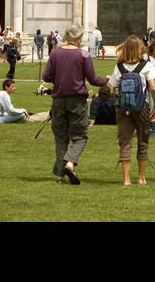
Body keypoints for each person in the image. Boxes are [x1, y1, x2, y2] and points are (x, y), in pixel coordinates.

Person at [41, 24, 109, 184]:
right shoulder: (83, 55)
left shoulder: (55, 53)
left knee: (61, 137)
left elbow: (46, 76)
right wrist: (106, 79)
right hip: (77, 100)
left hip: (58, 100)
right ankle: (70, 164)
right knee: (80, 136)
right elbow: (93, 80)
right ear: (78, 38)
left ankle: (60, 175)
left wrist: (60, 77)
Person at [109, 35, 155, 186]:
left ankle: (126, 179)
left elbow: (114, 88)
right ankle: (141, 178)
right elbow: (152, 88)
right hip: (141, 107)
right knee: (143, 140)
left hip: (123, 107)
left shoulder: (119, 67)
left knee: (125, 142)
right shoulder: (146, 66)